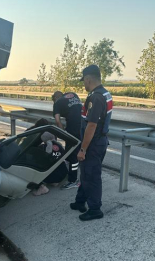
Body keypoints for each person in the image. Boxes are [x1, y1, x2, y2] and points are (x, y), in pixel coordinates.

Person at [70, 65, 113, 221]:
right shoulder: (105, 93)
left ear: (88, 79)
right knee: (86, 174)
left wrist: (83, 149)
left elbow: (92, 125)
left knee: (92, 176)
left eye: (84, 81)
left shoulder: (95, 97)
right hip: (99, 141)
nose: (84, 85)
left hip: (93, 144)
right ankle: (80, 201)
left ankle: (95, 209)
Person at [52, 91, 82, 190]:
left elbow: (57, 120)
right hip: (84, 126)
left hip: (73, 129)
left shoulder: (57, 102)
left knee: (72, 154)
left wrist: (64, 133)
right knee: (81, 151)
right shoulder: (73, 94)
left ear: (55, 98)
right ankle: (82, 177)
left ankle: (73, 180)